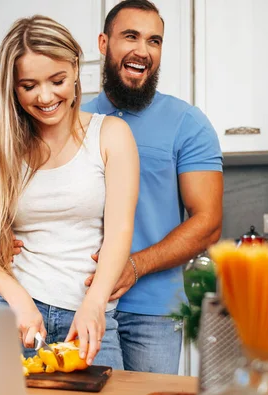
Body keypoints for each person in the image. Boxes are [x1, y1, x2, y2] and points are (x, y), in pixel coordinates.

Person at [15, 0, 224, 374]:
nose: (143, 50)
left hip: (153, 311)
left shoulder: (187, 123)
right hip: (74, 302)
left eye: (154, 41)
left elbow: (208, 222)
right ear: (103, 43)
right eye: (131, 36)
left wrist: (135, 265)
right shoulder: (70, 117)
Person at [0, 15, 140, 370]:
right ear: (12, 88)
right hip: (16, 314)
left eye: (57, 80)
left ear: (76, 68)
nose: (45, 97)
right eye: (28, 86)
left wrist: (94, 302)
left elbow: (119, 233)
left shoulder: (111, 135)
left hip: (89, 320)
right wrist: (17, 299)